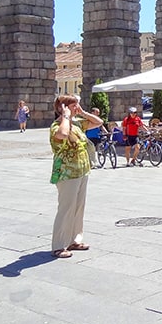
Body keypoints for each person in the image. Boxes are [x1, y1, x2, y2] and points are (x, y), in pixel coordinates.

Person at [50, 94, 103, 259]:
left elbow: (98, 122)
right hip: (67, 173)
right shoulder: (57, 126)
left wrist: (83, 112)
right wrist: (65, 116)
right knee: (66, 209)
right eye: (73, 105)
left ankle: (75, 239)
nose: (76, 108)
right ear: (63, 107)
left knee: (79, 208)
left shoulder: (78, 123)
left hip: (82, 171)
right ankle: (58, 245)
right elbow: (63, 135)